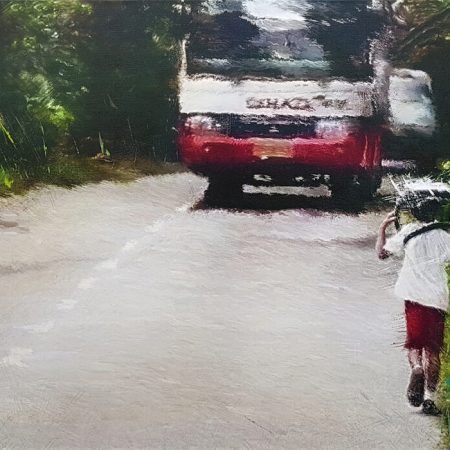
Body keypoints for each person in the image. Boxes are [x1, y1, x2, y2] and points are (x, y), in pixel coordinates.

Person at [376, 196, 450, 415]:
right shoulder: (445, 236)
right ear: (437, 214)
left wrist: (382, 228)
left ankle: (417, 368)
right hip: (437, 297)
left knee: (414, 344)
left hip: (413, 294)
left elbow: (382, 254)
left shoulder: (408, 232)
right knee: (433, 349)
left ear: (415, 213)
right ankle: (430, 397)